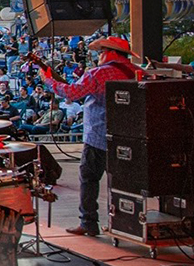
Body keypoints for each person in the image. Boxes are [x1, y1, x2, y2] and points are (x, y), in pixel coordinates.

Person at [34, 36, 142, 236]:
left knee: (89, 179)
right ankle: (128, 223)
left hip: (99, 136)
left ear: (109, 53)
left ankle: (88, 223)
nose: (98, 56)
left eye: (101, 52)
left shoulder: (99, 73)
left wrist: (48, 80)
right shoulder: (138, 72)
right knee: (125, 183)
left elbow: (72, 93)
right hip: (131, 138)